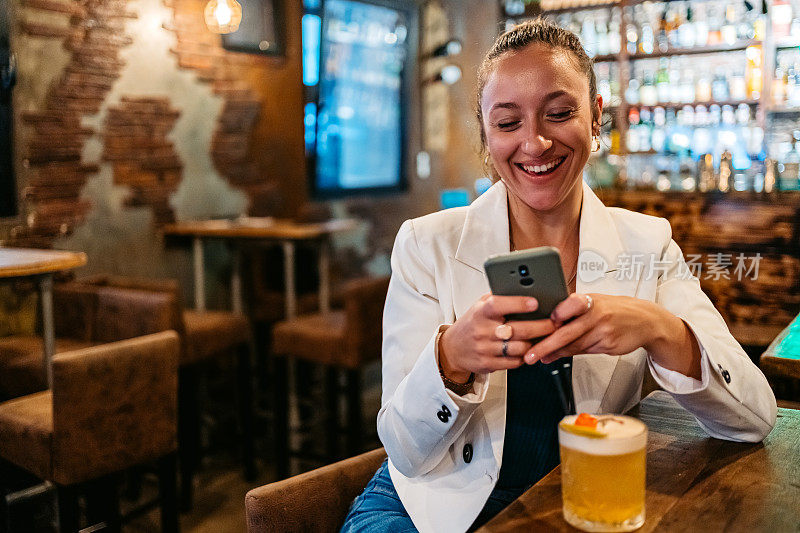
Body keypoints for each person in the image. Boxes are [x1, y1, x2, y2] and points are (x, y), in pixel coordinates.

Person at [341, 18, 777, 533]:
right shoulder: (426, 244)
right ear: (486, 133)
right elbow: (404, 451)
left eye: (559, 113)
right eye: (508, 123)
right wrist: (451, 357)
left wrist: (661, 329)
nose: (536, 142)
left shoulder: (647, 245)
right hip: (426, 507)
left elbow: (754, 418)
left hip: (571, 499)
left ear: (595, 117)